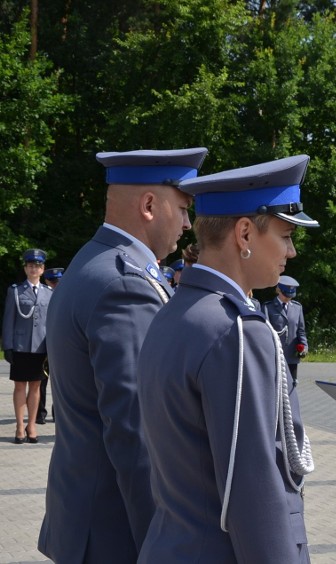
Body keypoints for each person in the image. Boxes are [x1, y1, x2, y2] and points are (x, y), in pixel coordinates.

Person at [137, 155, 318, 563]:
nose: (290, 251)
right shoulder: (237, 331)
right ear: (244, 233)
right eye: (286, 235)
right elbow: (253, 491)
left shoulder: (175, 309)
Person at [38, 147, 208, 563]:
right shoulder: (124, 285)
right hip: (117, 533)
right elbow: (139, 434)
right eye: (184, 208)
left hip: (89, 520)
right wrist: (166, 547)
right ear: (149, 205)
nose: (188, 224)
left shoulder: (95, 261)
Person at [3, 248, 52, 443]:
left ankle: (31, 425)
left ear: (42, 270)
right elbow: (8, 320)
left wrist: (52, 347)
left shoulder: (49, 293)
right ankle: (18, 426)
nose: (34, 269)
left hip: (40, 347)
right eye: (30, 266)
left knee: (36, 387)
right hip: (21, 346)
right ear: (25, 269)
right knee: (19, 387)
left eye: (37, 266)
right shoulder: (15, 291)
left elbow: (51, 322)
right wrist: (8, 346)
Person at [262, 275, 309, 380]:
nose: (288, 298)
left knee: (291, 386)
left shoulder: (297, 308)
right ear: (278, 290)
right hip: (275, 355)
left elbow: (301, 331)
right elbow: (265, 332)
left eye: (291, 296)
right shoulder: (268, 307)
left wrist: (304, 346)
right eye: (286, 295)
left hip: (292, 356)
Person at [38, 267, 64, 423]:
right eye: (52, 282)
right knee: (41, 381)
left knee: (58, 381)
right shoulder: (42, 296)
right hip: (41, 344)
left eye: (58, 281)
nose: (55, 284)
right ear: (46, 281)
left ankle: (57, 413)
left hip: (59, 344)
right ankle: (40, 413)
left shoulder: (64, 296)